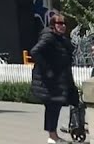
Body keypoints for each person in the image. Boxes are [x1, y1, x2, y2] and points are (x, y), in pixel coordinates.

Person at [31, 11, 78, 144]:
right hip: (49, 81)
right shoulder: (49, 37)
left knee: (54, 108)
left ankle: (53, 135)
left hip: (58, 80)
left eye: (64, 24)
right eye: (59, 23)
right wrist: (47, 69)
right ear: (53, 24)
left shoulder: (61, 39)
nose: (62, 26)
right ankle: (53, 136)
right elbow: (35, 51)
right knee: (53, 108)